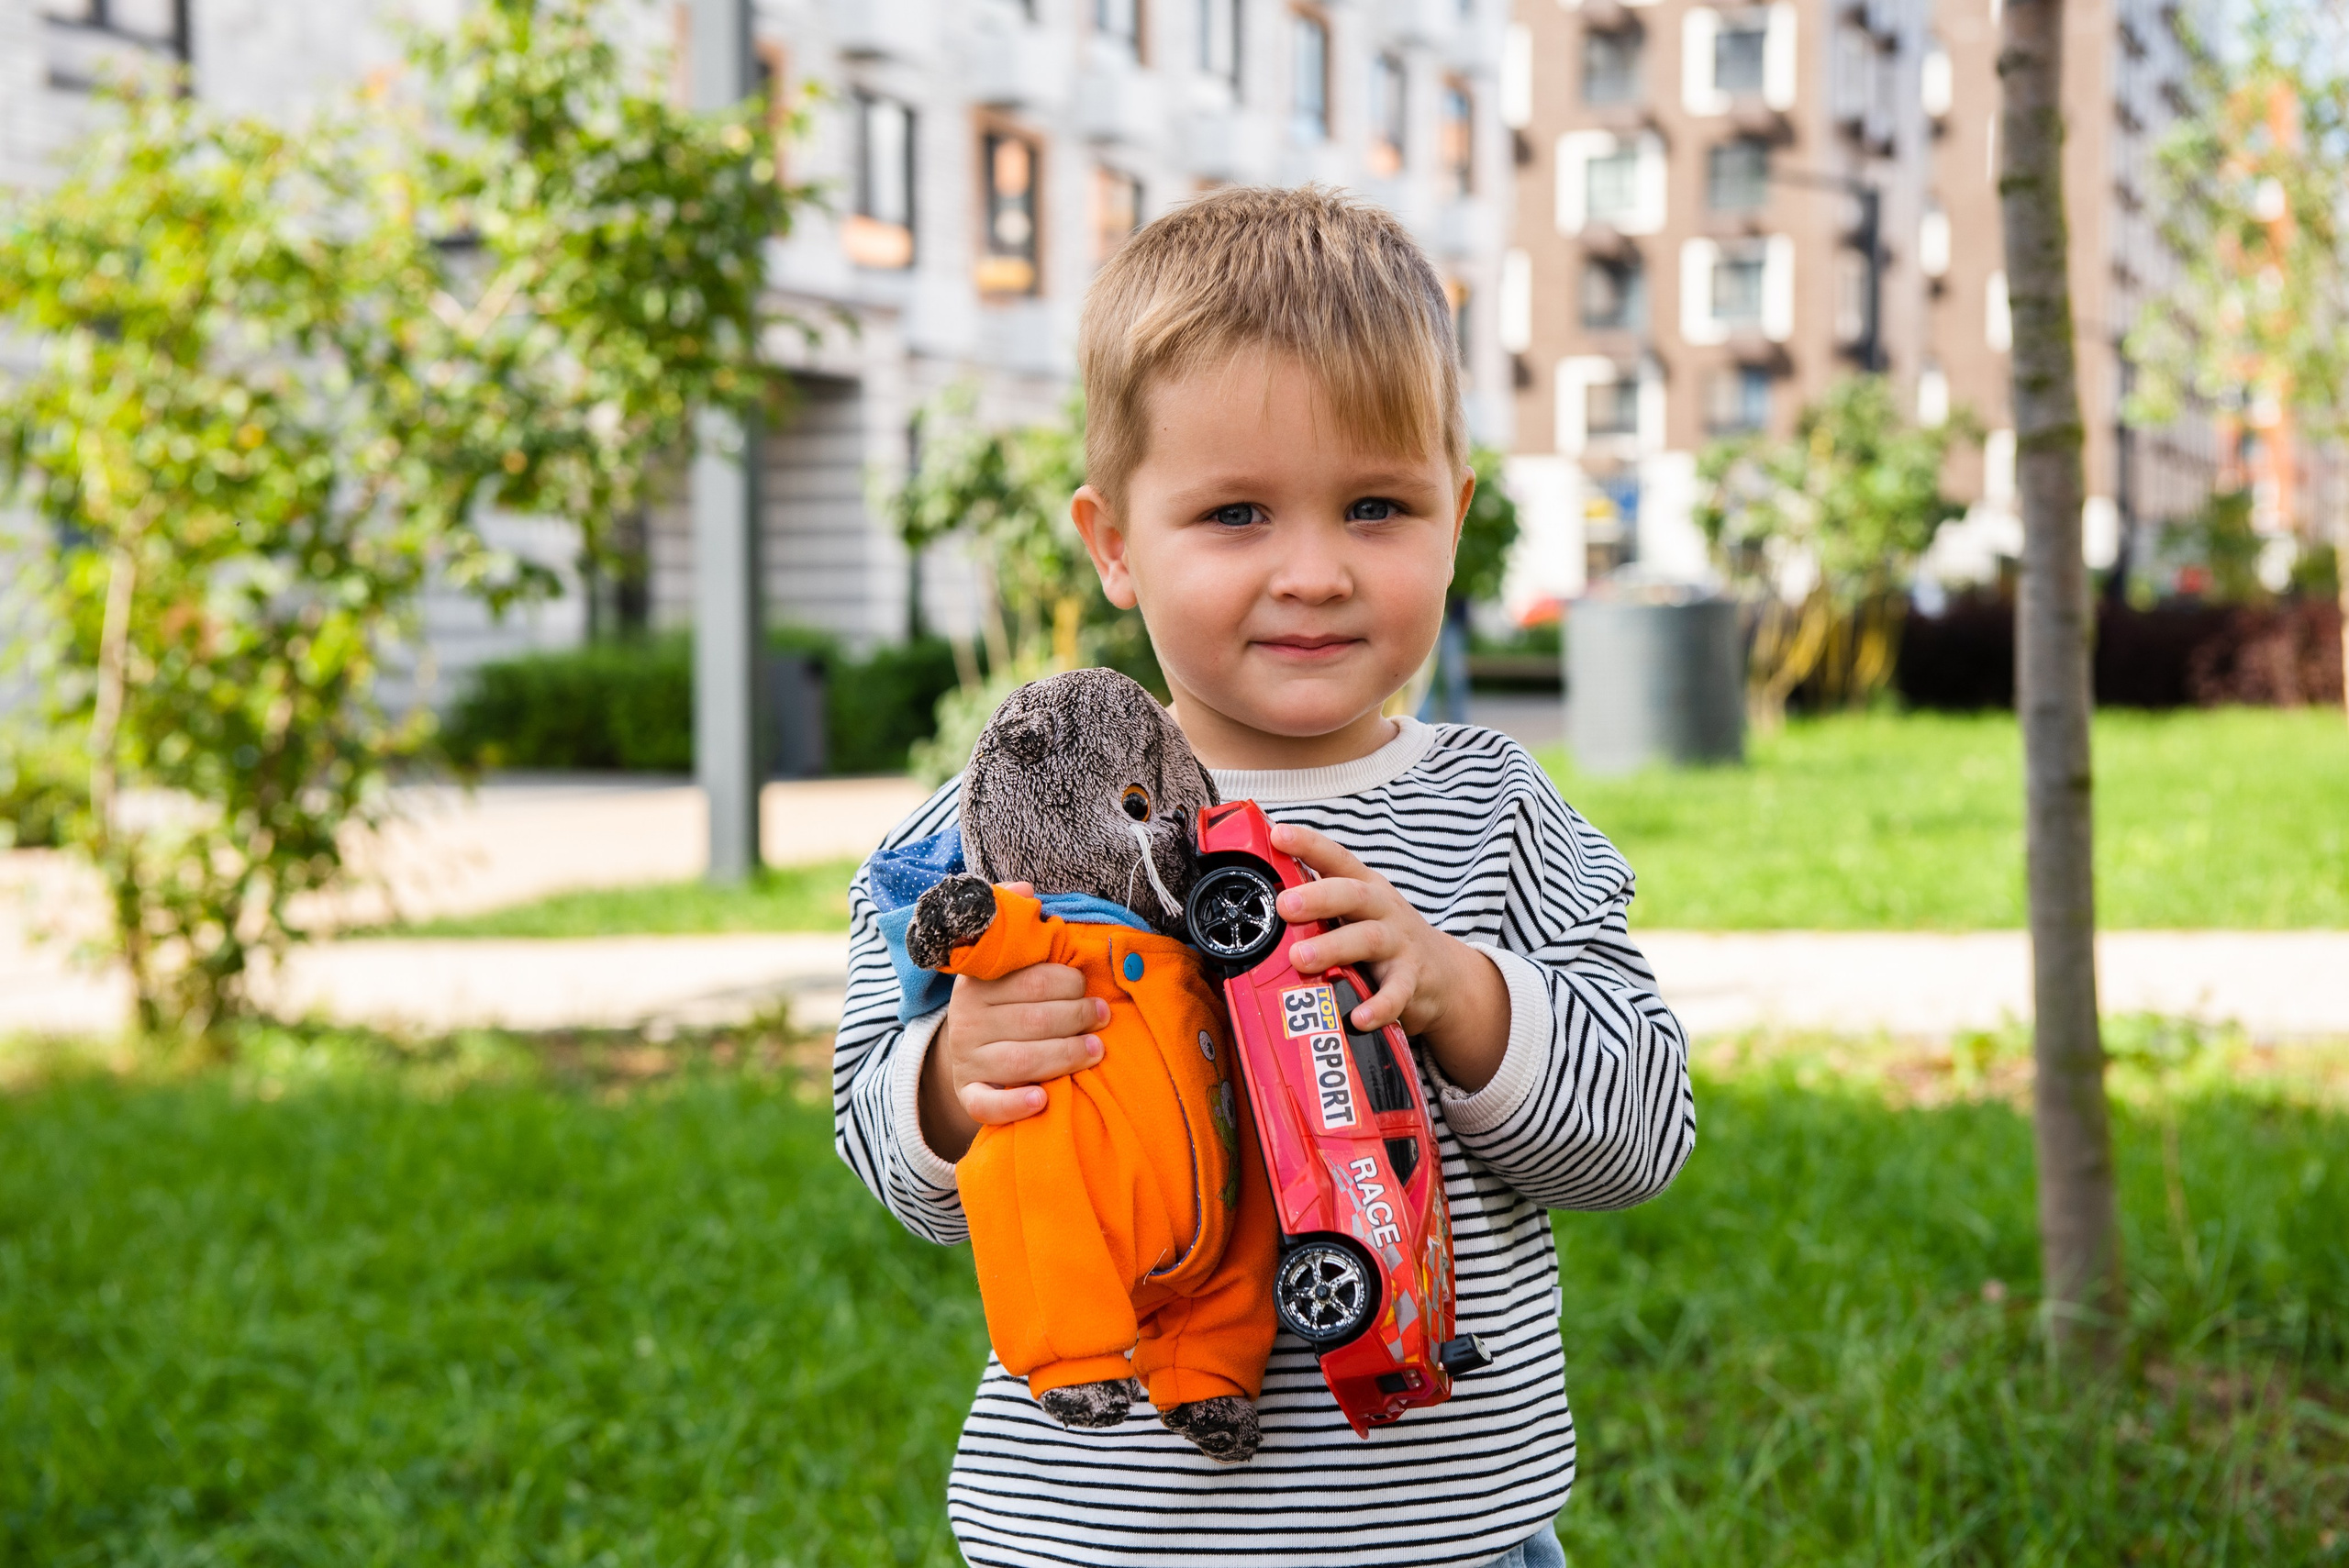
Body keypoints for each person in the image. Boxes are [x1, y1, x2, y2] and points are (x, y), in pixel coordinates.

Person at [832, 184, 1696, 1568]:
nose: (1313, 572)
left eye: (1376, 507)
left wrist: (1464, 994)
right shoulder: (1019, 806)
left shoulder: (1494, 811)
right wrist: (951, 1074)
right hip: (1107, 1535)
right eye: (1236, 513)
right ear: (1116, 544)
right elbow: (894, 1163)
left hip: (1440, 1538)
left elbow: (1642, 1132)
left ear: (1457, 520)